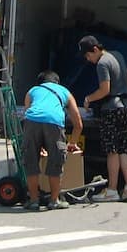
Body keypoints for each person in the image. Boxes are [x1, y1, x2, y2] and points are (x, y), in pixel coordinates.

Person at [80, 35, 127, 202]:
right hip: (125, 107)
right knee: (122, 149)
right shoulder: (117, 55)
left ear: (95, 50)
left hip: (111, 110)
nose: (89, 60)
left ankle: (112, 189)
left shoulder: (102, 63)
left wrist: (89, 99)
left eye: (88, 55)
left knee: (111, 150)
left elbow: (105, 90)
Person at [22, 69, 84, 210]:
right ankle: (54, 200)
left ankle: (33, 201)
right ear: (57, 82)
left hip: (31, 121)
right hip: (54, 122)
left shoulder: (32, 91)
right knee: (56, 161)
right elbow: (78, 123)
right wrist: (72, 143)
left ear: (40, 82)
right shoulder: (65, 92)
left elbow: (27, 113)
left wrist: (40, 144)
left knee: (31, 162)